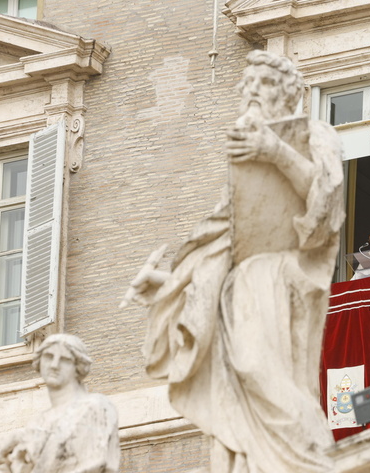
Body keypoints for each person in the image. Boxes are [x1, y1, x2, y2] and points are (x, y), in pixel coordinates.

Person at [125, 50, 344, 472]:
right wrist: (170, 283)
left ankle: (311, 460)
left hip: (284, 274)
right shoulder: (243, 152)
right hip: (239, 282)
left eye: (260, 82)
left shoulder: (316, 134)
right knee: (241, 381)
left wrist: (276, 150)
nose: (250, 92)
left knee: (262, 371)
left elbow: (327, 205)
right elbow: (221, 234)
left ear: (285, 90)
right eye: (246, 84)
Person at [0, 334, 119, 473]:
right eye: (49, 357)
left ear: (78, 366)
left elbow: (92, 465)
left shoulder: (95, 407)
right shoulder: (37, 422)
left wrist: (27, 437)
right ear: (39, 362)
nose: (54, 365)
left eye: (65, 360)